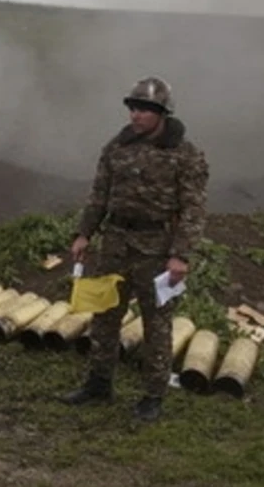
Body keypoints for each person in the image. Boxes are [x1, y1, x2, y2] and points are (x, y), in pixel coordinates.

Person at [59, 75, 209, 422]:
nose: (135, 116)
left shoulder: (185, 154)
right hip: (115, 242)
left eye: (144, 110)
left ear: (163, 113)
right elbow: (99, 195)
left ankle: (153, 395)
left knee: (157, 323)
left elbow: (193, 209)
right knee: (104, 315)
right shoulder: (117, 147)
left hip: (157, 249)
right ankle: (98, 383)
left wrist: (180, 255)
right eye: (133, 108)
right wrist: (84, 234)